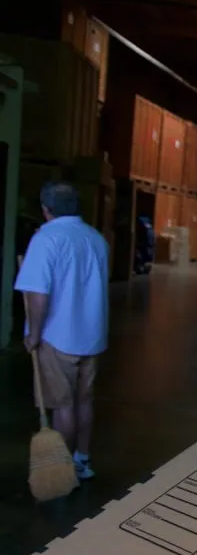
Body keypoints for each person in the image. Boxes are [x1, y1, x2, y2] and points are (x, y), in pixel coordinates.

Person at [15, 181, 110, 481]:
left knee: (63, 405)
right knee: (84, 400)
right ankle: (82, 459)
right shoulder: (96, 238)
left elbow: (38, 296)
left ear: (46, 210)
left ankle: (62, 469)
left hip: (58, 337)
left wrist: (34, 334)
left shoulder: (47, 238)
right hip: (92, 336)